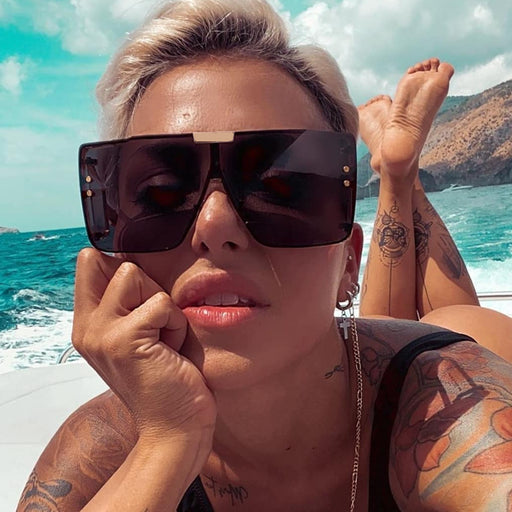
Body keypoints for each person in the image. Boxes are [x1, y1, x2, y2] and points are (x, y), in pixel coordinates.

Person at [16, 2, 512, 511]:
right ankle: (398, 174)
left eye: (279, 187)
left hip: (475, 334)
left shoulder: (455, 404)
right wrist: (168, 440)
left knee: (453, 316)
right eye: (161, 192)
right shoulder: (101, 450)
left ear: (349, 263)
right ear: (119, 257)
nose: (214, 226)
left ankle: (399, 175)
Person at [358, 57, 512, 363]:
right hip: (477, 350)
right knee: (391, 346)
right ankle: (401, 175)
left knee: (389, 341)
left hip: (480, 349)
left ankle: (398, 175)